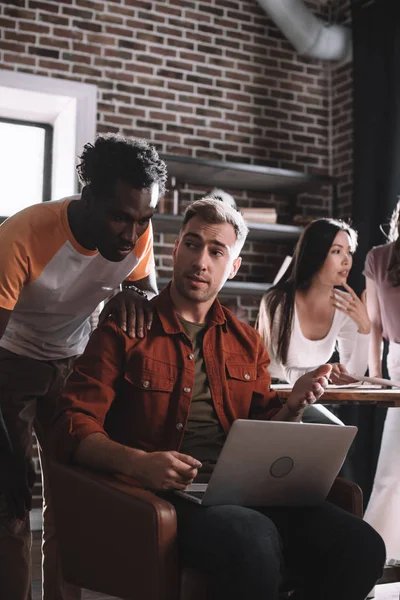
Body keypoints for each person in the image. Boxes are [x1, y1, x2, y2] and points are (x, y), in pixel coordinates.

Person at [52, 198, 385, 600]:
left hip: (245, 492)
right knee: (250, 536)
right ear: (174, 250)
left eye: (217, 251)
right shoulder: (125, 329)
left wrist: (294, 405)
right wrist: (140, 464)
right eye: (192, 245)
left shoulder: (246, 342)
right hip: (163, 499)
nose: (201, 261)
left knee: (363, 546)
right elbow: (72, 423)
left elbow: (264, 429)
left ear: (234, 267)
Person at [0, 133, 167, 600]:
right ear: (87, 195)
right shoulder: (22, 235)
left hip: (73, 363)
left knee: (72, 498)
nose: (132, 234)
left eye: (143, 220)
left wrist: (132, 297)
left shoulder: (138, 230)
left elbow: (145, 292)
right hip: (10, 363)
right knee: (11, 500)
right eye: (119, 217)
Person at [257, 218, 371, 424]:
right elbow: (290, 372)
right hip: (269, 399)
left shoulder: (344, 305)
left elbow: (353, 377)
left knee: (339, 435)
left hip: (306, 399)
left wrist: (365, 328)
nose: (347, 260)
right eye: (336, 251)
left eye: (349, 251)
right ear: (316, 254)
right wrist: (327, 371)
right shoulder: (278, 301)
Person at [363, 199, 400, 565]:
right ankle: (376, 557)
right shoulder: (379, 257)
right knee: (393, 466)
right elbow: (373, 324)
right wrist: (375, 375)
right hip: (399, 360)